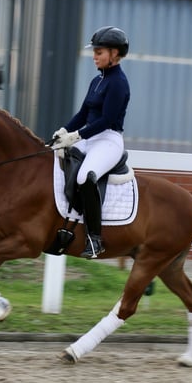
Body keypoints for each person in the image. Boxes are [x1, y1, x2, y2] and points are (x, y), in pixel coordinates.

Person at [51, 26, 131, 258]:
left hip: (108, 139)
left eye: (99, 52)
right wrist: (64, 131)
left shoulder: (118, 83)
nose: (94, 55)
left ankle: (95, 239)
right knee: (56, 157)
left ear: (114, 54)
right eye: (94, 51)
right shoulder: (97, 80)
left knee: (85, 176)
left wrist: (75, 136)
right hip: (90, 136)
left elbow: (106, 120)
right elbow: (84, 113)